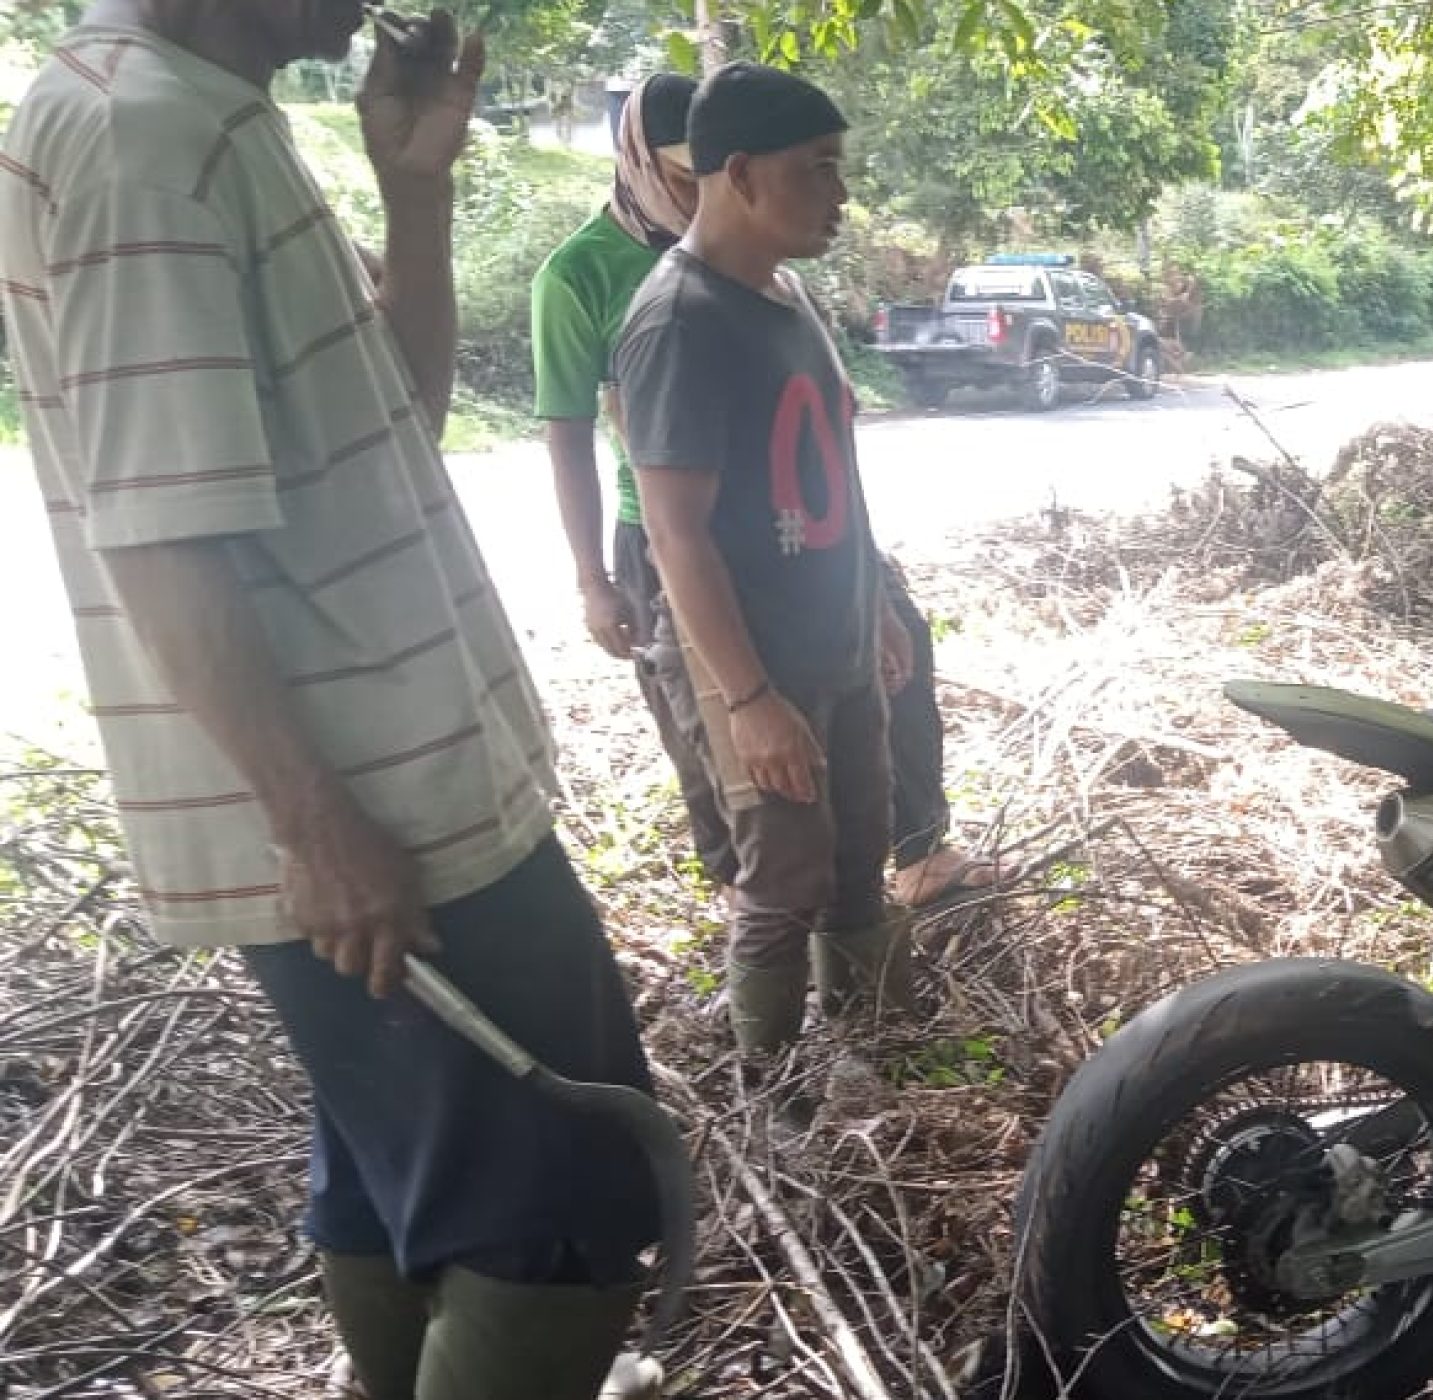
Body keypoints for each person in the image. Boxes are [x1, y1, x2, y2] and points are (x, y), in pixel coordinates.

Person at [0, 4, 662, 1398]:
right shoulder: (141, 140)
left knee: (395, 1169)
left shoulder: (197, 113)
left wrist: (412, 192)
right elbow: (161, 535)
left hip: (384, 794)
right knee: (567, 1207)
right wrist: (313, 825)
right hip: (378, 811)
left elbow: (394, 404)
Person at [530, 73, 999, 916]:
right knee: (758, 795)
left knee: (875, 712)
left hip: (811, 540)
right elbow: (583, 448)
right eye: (683, 175)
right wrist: (593, 579)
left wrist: (871, 590)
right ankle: (760, 918)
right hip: (686, 543)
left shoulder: (781, 282)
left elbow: (828, 450)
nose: (694, 190)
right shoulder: (608, 285)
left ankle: (910, 857)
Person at [615, 64, 912, 1052]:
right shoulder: (678, 321)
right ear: (739, 173)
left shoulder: (789, 296)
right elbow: (675, 535)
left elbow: (836, 473)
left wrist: (875, 607)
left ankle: (871, 1062)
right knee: (785, 877)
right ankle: (772, 1100)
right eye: (817, 167)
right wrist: (748, 699)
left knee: (860, 852)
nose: (841, 192)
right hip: (751, 662)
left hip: (836, 639)